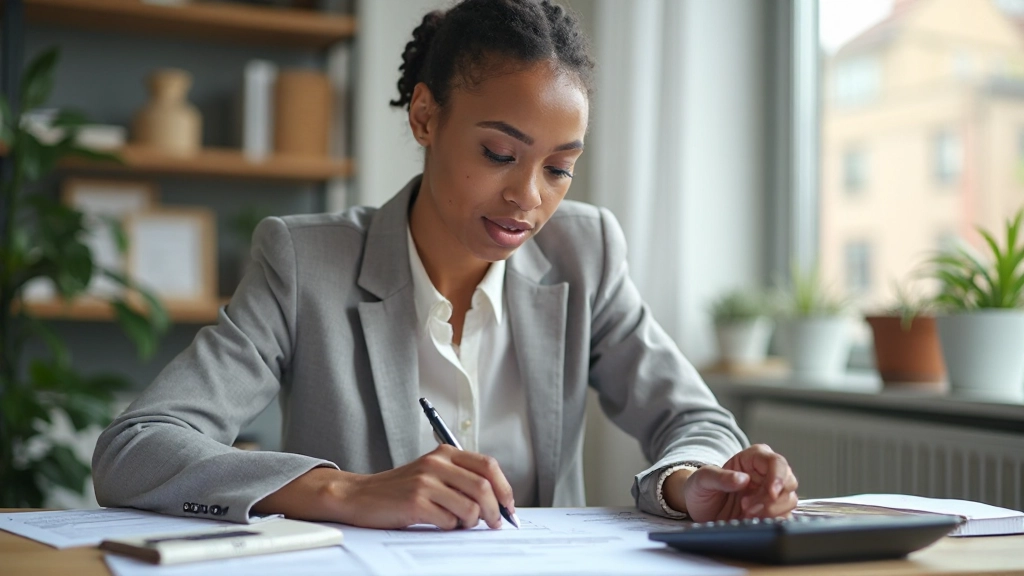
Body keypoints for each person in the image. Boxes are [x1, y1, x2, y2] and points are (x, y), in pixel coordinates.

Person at [92, 0, 798, 531]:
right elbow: (135, 449)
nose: (527, 197)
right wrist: (345, 491)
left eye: (559, 168)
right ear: (426, 117)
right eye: (499, 154)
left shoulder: (584, 253)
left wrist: (690, 480)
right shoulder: (307, 261)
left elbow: (693, 418)